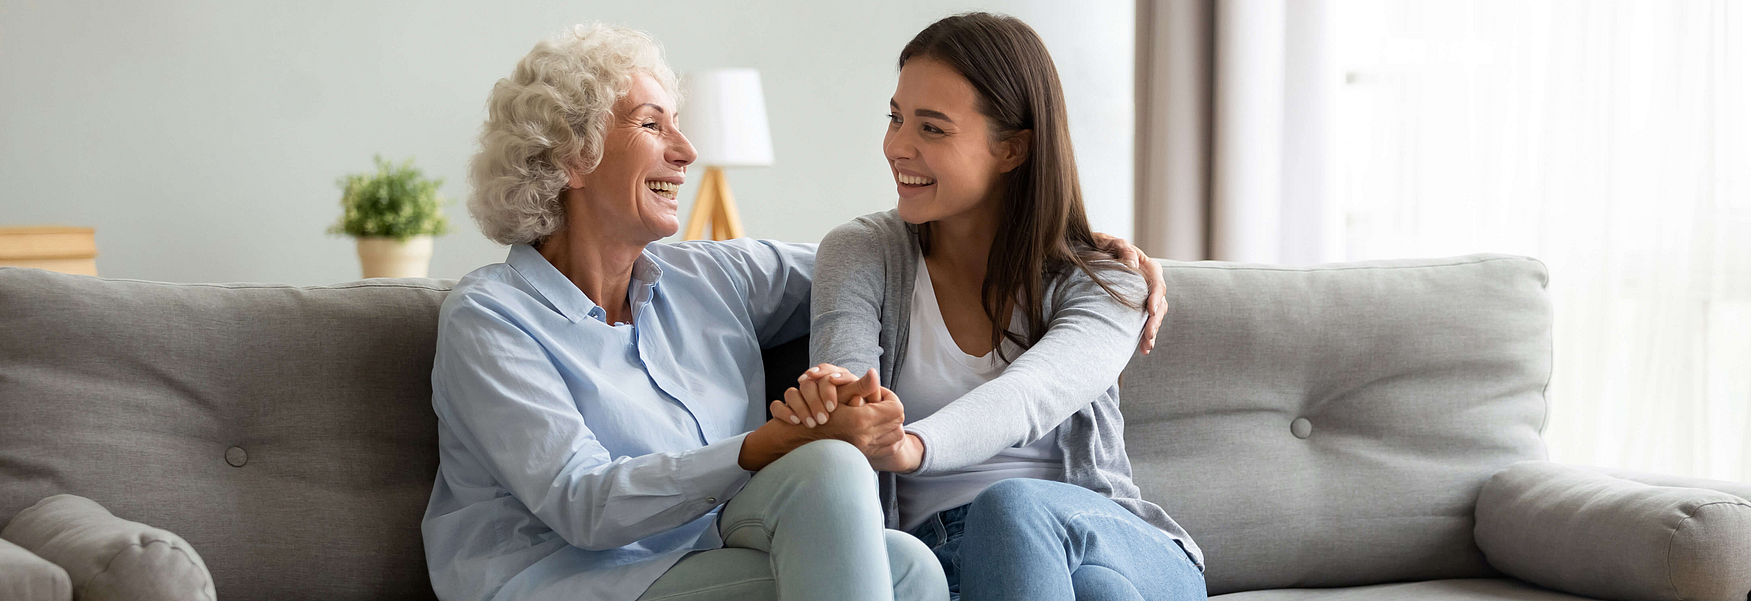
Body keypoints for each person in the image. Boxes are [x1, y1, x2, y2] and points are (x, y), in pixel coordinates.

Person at [422, 22, 1169, 601]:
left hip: (711, 552)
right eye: (653, 125)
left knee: (907, 561)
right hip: (570, 579)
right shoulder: (491, 319)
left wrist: (1068, 245)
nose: (686, 149)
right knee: (825, 464)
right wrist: (764, 444)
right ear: (572, 155)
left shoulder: (712, 278)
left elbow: (908, 265)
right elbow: (582, 504)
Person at [781, 12, 1207, 601]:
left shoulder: (1108, 281)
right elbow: (852, 397)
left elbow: (1030, 396)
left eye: (932, 129)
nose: (896, 146)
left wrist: (912, 445)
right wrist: (845, 408)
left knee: (1011, 509)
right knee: (1100, 593)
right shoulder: (861, 253)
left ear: (1011, 149)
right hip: (947, 563)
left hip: (1111, 539)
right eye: (896, 117)